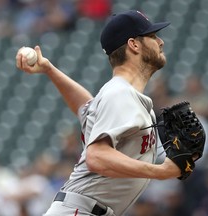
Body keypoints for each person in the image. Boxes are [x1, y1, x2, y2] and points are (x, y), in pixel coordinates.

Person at [16, 10, 182, 216]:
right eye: (152, 36)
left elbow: (86, 106)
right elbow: (97, 156)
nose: (160, 41)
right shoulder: (120, 94)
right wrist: (161, 172)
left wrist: (50, 70)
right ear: (134, 44)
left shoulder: (117, 94)